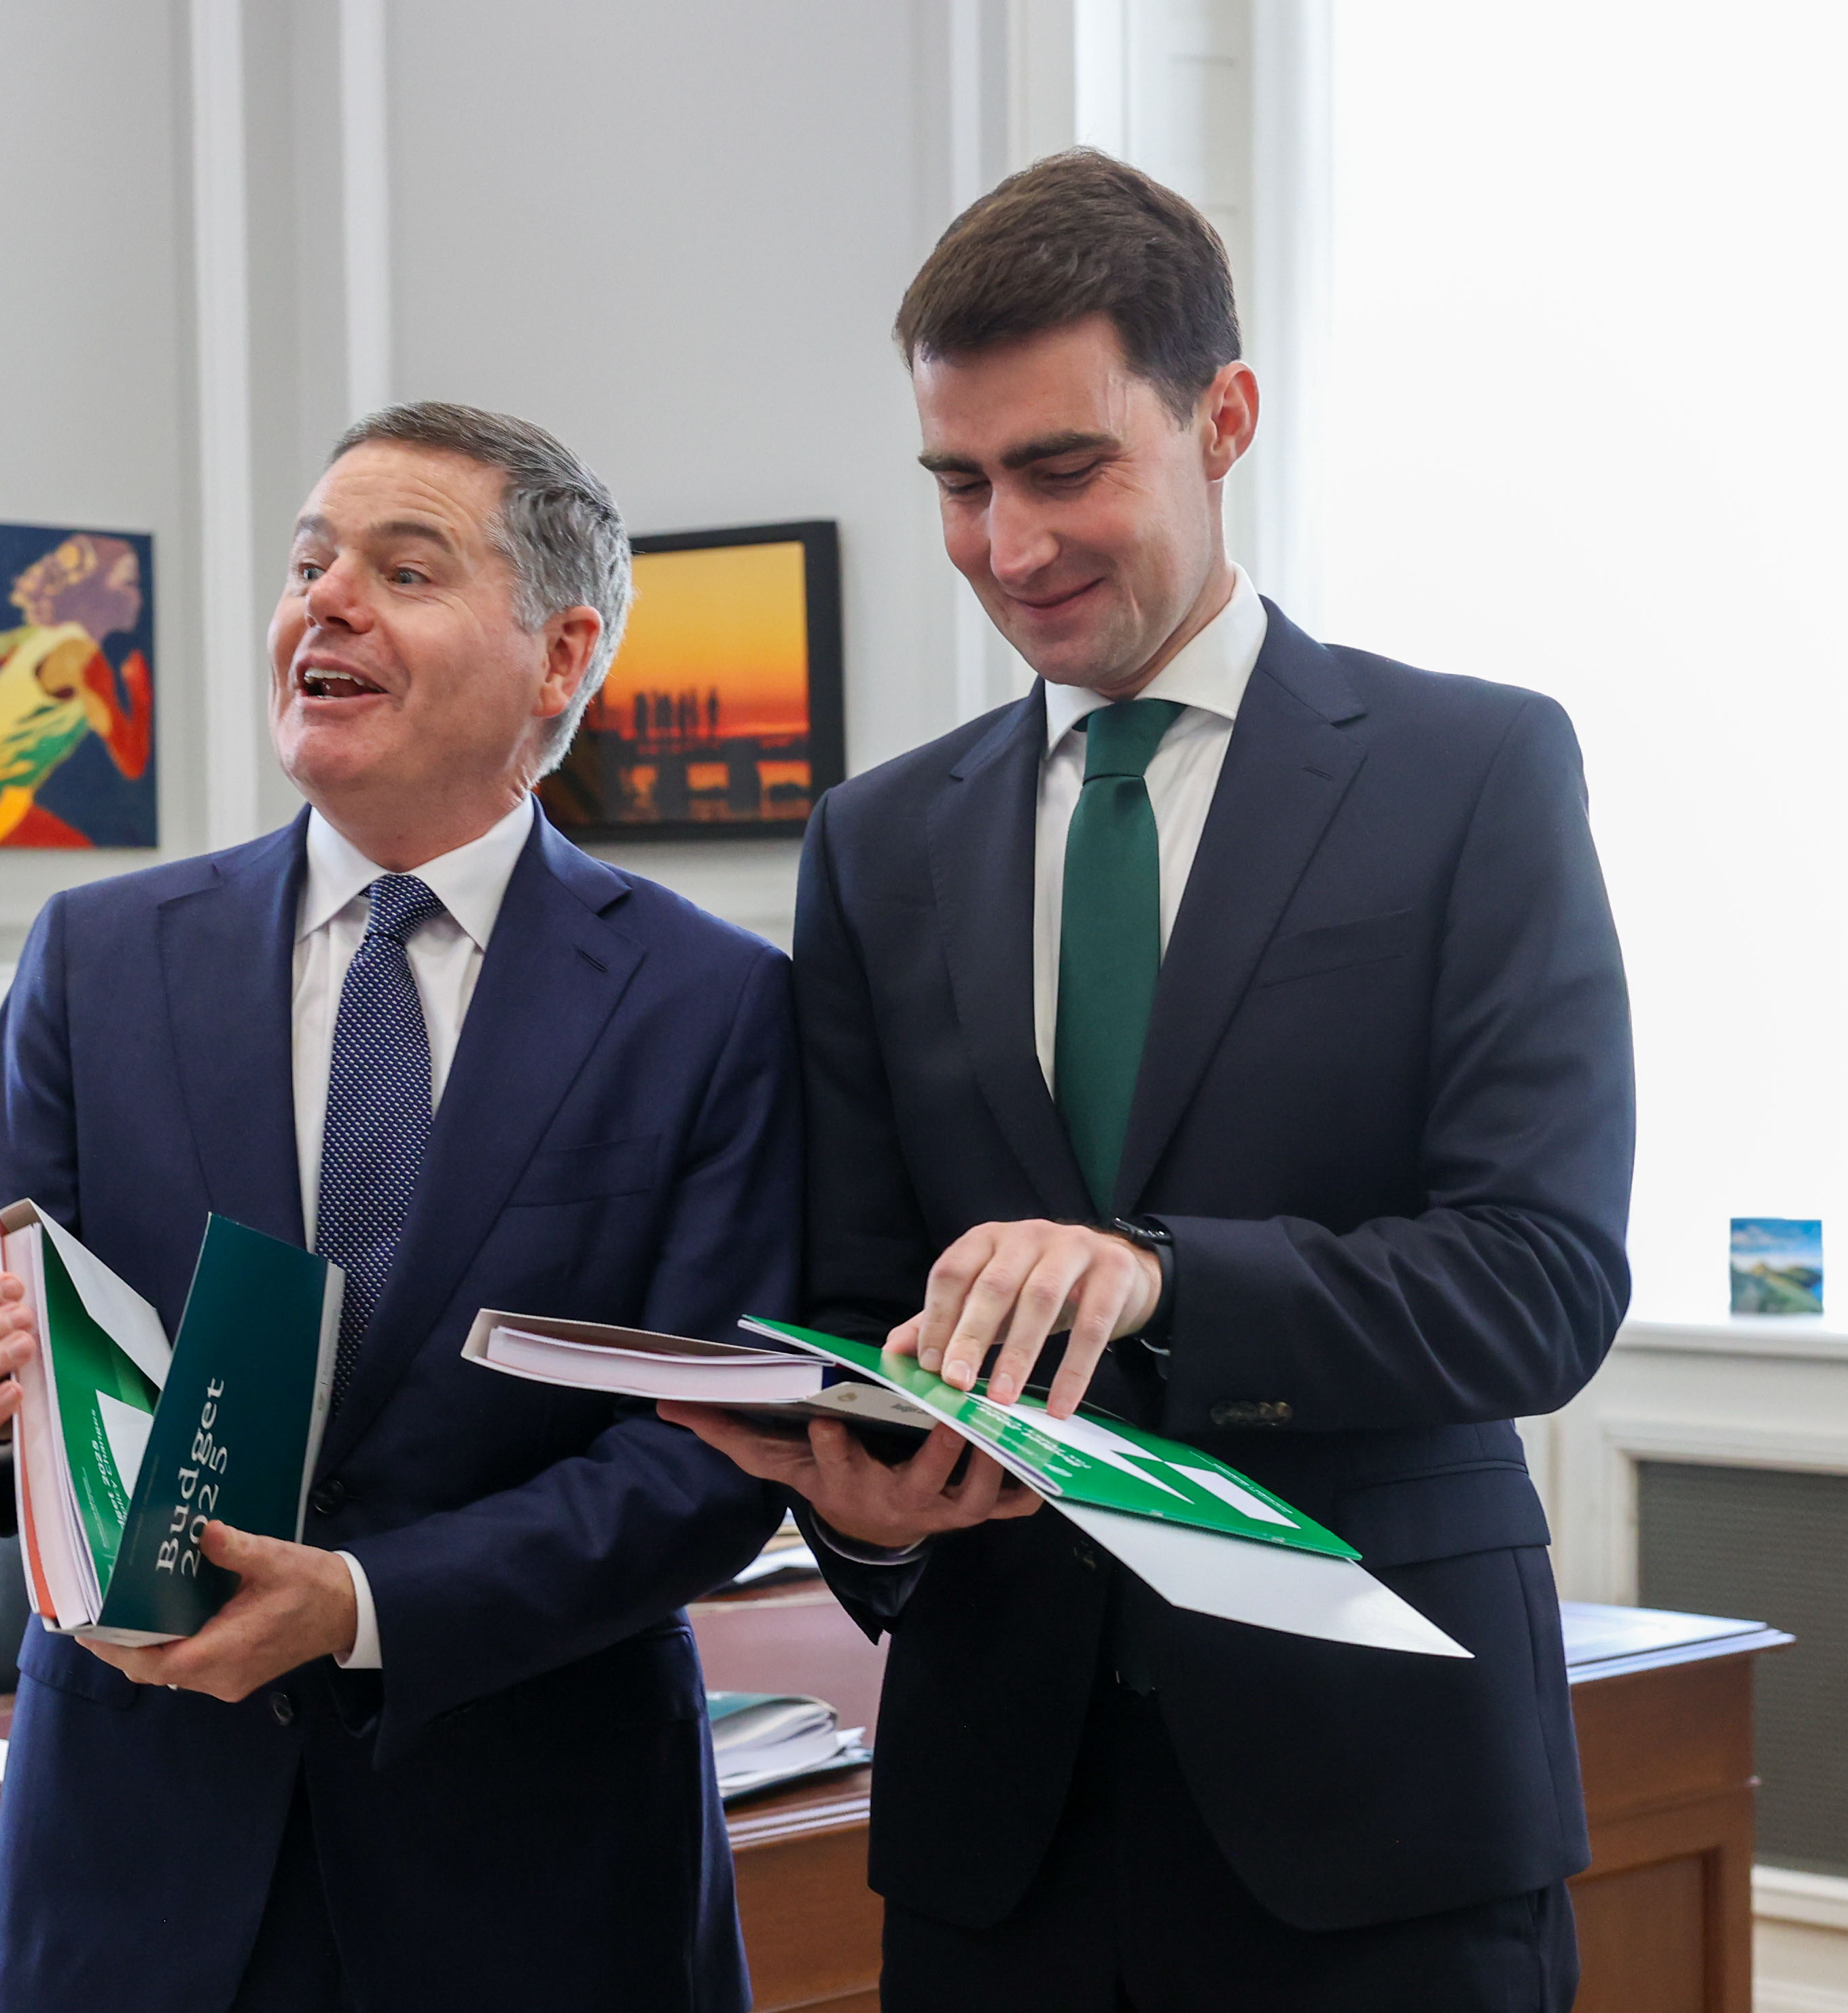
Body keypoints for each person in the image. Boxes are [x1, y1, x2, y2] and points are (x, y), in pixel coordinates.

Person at [668, 152, 1633, 2010]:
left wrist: (1157, 1277)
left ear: (1222, 419)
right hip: (995, 1827)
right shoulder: (874, 843)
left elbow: (1539, 1280)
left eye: (1061, 469)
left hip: (1378, 1800)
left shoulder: (1471, 775)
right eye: (958, 483)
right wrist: (861, 1503)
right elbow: (860, 1298)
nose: (1006, 544)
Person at [0, 402, 798, 2013]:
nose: (326, 602)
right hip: (138, 1878)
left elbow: (709, 1451)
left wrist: (365, 1606)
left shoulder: (710, 1002)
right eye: (308, 564)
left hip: (534, 1882)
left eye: (403, 569)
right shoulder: (99, 959)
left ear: (559, 653)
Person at [0, 530, 155, 848]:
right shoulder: (81, 658)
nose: (137, 597)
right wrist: (141, 694)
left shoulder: (39, 635)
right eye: (129, 583)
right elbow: (132, 762)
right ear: (95, 591)